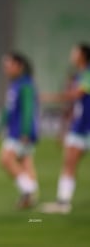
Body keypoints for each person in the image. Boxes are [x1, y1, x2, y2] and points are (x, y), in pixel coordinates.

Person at [40, 43, 90, 214]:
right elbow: (75, 105)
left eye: (75, 52)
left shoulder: (88, 73)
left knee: (69, 161)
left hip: (86, 126)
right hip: (79, 127)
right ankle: (63, 202)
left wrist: (49, 97)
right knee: (69, 161)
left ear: (83, 55)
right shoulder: (79, 76)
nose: (72, 54)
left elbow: (76, 95)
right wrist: (64, 129)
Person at [0, 52, 39, 209]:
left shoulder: (25, 85)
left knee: (5, 159)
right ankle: (29, 199)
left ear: (19, 66)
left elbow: (28, 109)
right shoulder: (16, 84)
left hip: (20, 131)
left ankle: (28, 190)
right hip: (18, 130)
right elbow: (8, 110)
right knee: (26, 162)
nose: (5, 69)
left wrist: (25, 132)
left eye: (9, 65)